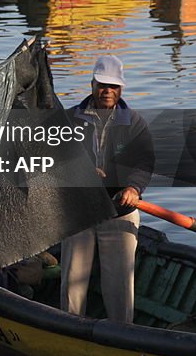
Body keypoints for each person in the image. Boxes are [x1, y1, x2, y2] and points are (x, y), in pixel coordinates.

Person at [60, 54, 154, 324]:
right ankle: (67, 330)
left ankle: (122, 334)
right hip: (80, 212)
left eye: (113, 86)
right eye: (102, 84)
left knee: (120, 286)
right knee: (72, 285)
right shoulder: (69, 119)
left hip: (119, 212)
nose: (107, 91)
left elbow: (145, 162)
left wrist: (134, 188)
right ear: (91, 84)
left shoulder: (134, 123)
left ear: (121, 88)